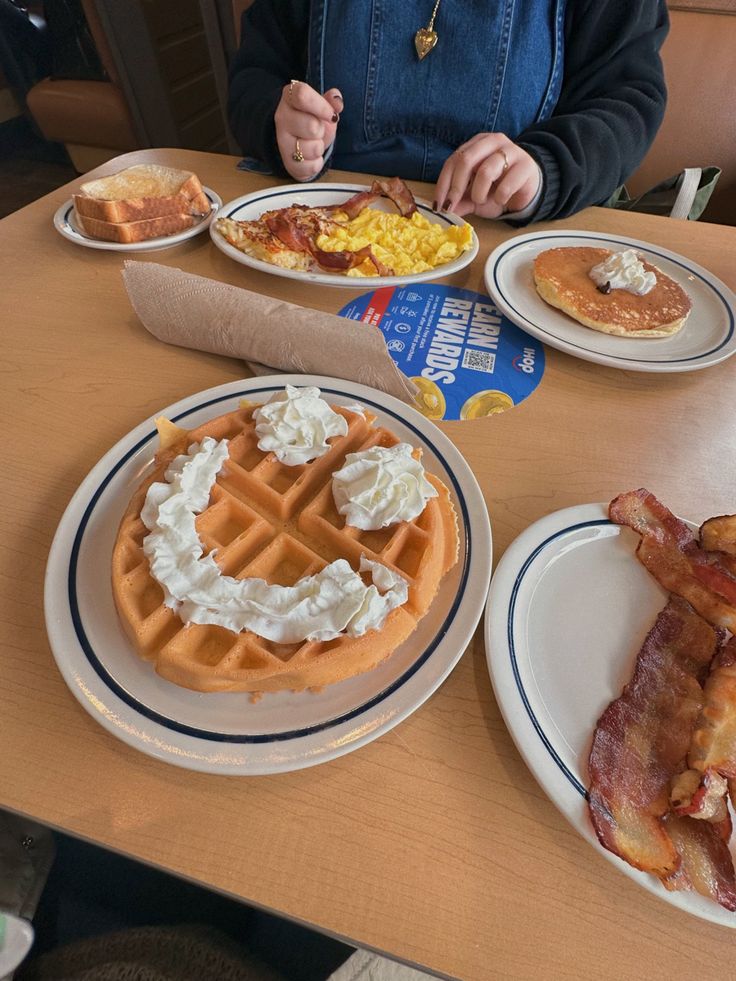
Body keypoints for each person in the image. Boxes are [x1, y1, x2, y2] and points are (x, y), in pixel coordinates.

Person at [228, 1, 668, 224]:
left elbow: (627, 97)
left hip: (507, 242)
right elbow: (256, 72)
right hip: (318, 219)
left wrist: (546, 168)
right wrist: (279, 126)